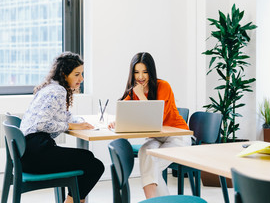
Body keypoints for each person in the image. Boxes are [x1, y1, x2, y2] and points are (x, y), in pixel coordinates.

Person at [20, 52, 104, 203]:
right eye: (77, 74)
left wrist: (80, 121)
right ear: (65, 74)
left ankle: (74, 200)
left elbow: (63, 115)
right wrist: (71, 125)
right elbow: (41, 124)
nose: (81, 79)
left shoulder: (51, 87)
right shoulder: (58, 91)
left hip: (27, 152)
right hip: (35, 153)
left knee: (88, 159)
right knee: (94, 165)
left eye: (82, 74)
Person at [109, 52, 191, 199]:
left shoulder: (163, 86)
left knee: (150, 167)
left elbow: (156, 121)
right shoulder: (134, 90)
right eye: (136, 72)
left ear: (151, 72)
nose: (140, 77)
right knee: (145, 154)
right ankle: (156, 201)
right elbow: (124, 110)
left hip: (178, 135)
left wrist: (141, 96)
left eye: (145, 72)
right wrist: (118, 121)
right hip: (157, 137)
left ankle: (152, 201)